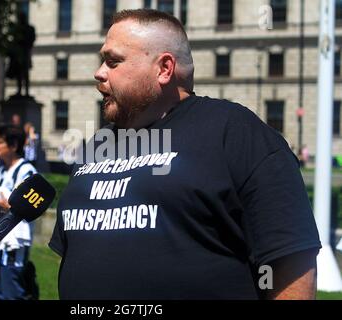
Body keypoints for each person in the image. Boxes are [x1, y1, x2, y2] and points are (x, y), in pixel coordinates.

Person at [49, 9, 321, 300]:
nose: (99, 72)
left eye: (113, 61)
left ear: (164, 68)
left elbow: (290, 266)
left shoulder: (235, 133)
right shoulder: (95, 147)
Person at [0, 125, 37, 299]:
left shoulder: (27, 172)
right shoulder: (1, 170)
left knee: (12, 294)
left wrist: (10, 206)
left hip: (13, 247)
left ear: (13, 146)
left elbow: (33, 209)